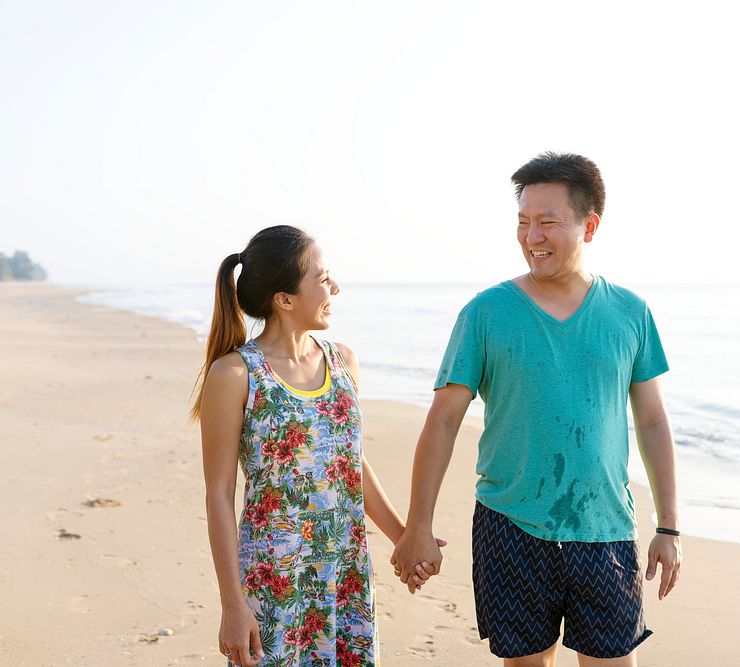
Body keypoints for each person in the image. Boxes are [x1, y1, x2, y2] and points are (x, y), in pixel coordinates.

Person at [391, 153, 681, 666]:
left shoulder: (630, 313)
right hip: (510, 524)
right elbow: (443, 421)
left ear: (589, 226)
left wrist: (669, 527)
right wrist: (418, 526)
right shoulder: (485, 312)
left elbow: (653, 421)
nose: (532, 237)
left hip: (606, 526)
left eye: (548, 222)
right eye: (523, 222)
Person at [193, 225, 438, 667]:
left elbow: (349, 463)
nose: (336, 288)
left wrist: (404, 537)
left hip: (343, 571)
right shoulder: (234, 376)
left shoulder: (344, 360)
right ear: (284, 299)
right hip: (274, 579)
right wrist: (233, 603)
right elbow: (217, 495)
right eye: (324, 279)